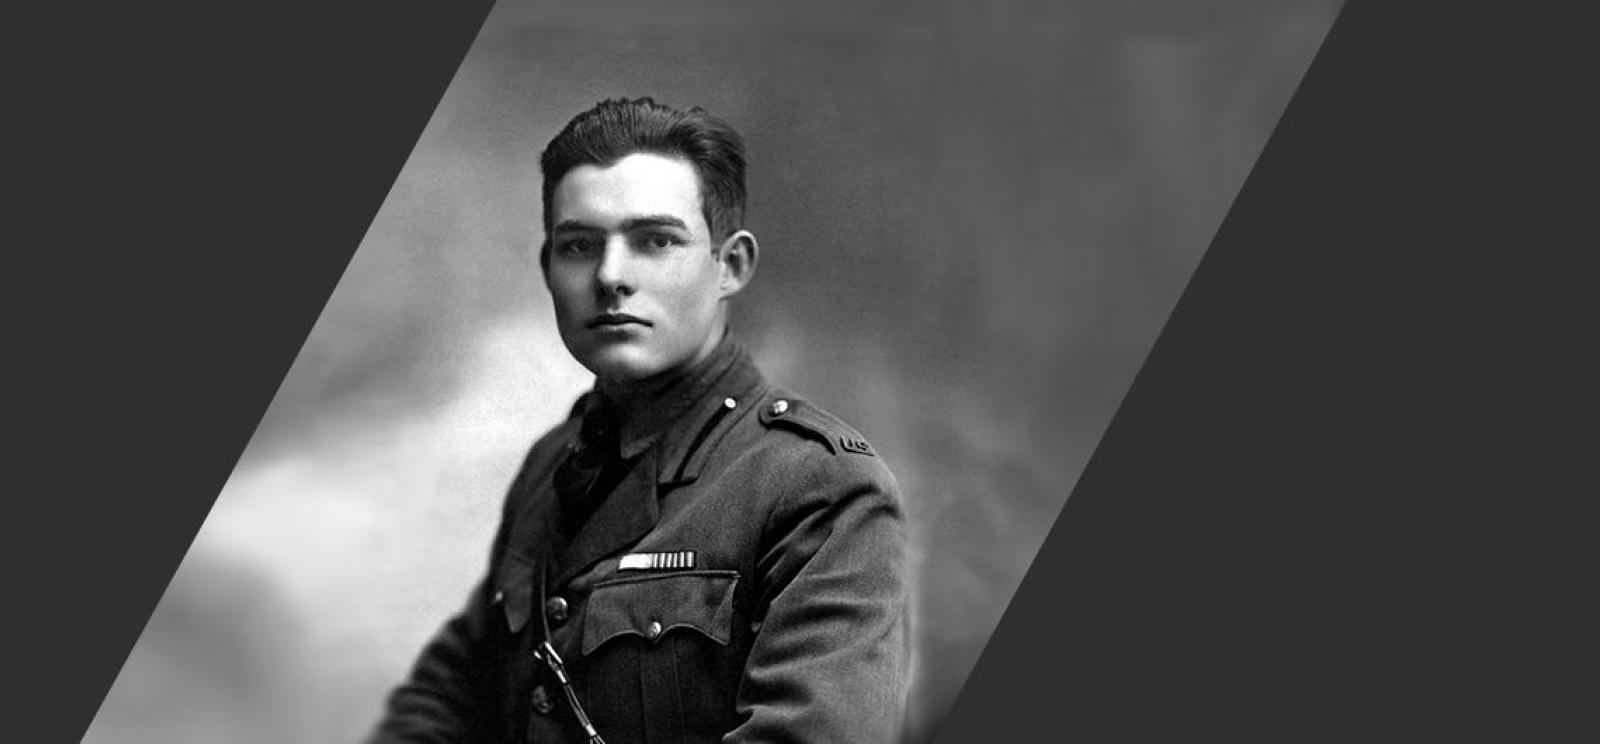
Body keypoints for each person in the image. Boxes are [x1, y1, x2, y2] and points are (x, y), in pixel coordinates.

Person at [369, 97, 909, 744]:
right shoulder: (553, 465)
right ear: (547, 269)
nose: (610, 276)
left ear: (729, 265)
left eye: (655, 241)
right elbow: (452, 695)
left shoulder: (816, 486)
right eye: (578, 245)